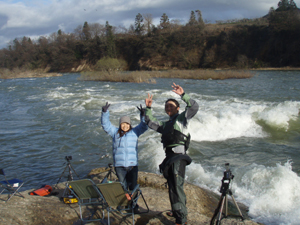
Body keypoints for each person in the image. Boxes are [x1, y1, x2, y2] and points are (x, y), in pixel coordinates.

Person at [144, 83, 199, 225]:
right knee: (172, 185)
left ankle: (182, 219)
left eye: (171, 105)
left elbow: (194, 107)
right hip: (169, 158)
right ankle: (176, 211)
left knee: (176, 186)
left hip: (178, 157)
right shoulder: (165, 125)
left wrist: (182, 94)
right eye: (166, 106)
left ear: (178, 108)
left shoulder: (182, 119)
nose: (169, 107)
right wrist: (148, 108)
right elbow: (150, 122)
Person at [101, 102, 147, 192]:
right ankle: (124, 205)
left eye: (127, 124)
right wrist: (105, 113)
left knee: (133, 187)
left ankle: (133, 205)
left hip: (132, 165)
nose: (125, 126)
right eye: (123, 124)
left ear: (130, 124)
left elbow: (144, 126)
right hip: (119, 166)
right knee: (123, 187)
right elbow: (106, 125)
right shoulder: (115, 132)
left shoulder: (135, 132)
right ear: (120, 124)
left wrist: (143, 115)